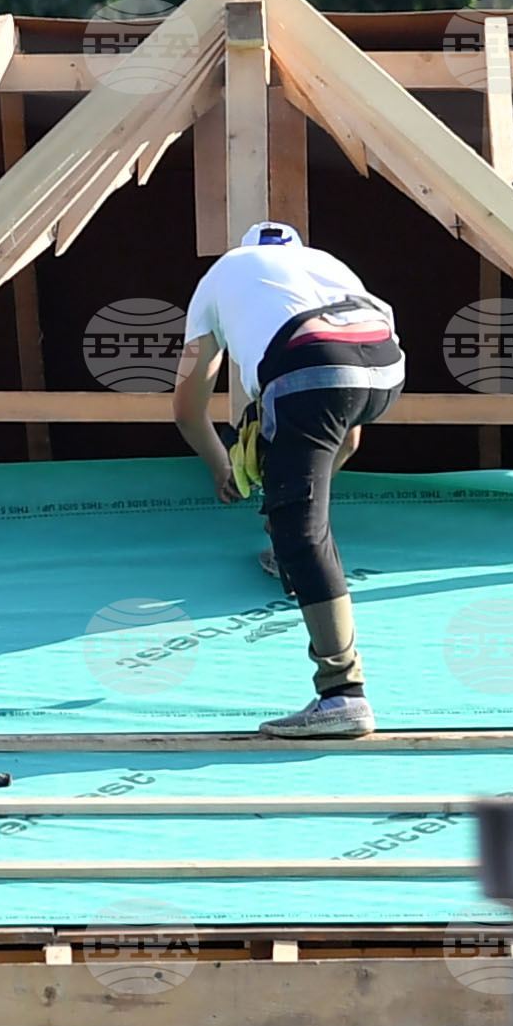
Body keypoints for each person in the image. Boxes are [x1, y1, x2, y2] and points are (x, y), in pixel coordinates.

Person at [171, 221, 405, 741]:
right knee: (307, 434)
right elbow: (348, 436)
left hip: (309, 363)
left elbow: (188, 409)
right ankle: (290, 541)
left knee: (300, 526)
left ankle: (342, 692)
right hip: (386, 370)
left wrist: (221, 463)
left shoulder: (220, 275)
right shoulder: (327, 264)